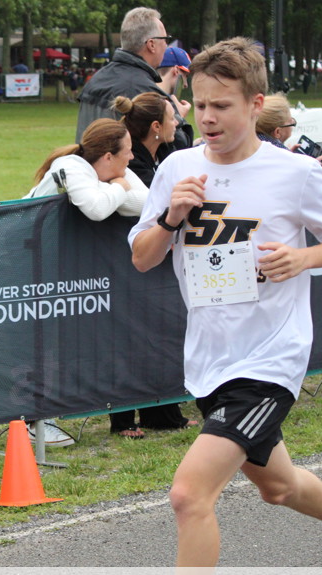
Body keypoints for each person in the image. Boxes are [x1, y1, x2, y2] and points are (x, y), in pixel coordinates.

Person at [108, 37, 322, 575]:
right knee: (279, 486)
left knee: (189, 494)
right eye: (200, 105)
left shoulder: (295, 172)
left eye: (223, 106)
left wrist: (301, 257)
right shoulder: (177, 168)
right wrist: (171, 218)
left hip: (271, 359)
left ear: (255, 104)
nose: (208, 118)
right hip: (210, 359)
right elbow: (141, 258)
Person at [23, 118, 148, 443]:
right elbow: (96, 209)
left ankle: (41, 418)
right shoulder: (71, 166)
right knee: (42, 341)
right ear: (107, 156)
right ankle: (32, 423)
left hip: (56, 265)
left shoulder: (111, 172)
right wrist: (118, 188)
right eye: (127, 152)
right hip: (23, 259)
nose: (131, 158)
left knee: (61, 337)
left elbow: (148, 202)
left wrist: (114, 190)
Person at [111, 93, 193, 435]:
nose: (178, 123)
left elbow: (182, 148)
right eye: (173, 118)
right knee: (134, 336)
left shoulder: (163, 157)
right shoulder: (137, 167)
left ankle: (162, 412)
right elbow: (150, 207)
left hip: (161, 260)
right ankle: (123, 418)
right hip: (131, 260)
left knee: (160, 333)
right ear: (156, 127)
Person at [75, 7, 172, 142]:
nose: (166, 46)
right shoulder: (142, 89)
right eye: (165, 39)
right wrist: (174, 116)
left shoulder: (96, 79)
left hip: (88, 156)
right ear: (151, 45)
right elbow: (175, 142)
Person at [156, 46, 194, 148]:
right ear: (176, 71)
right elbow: (177, 147)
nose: (185, 84)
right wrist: (178, 118)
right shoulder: (158, 104)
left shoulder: (148, 96)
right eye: (185, 76)